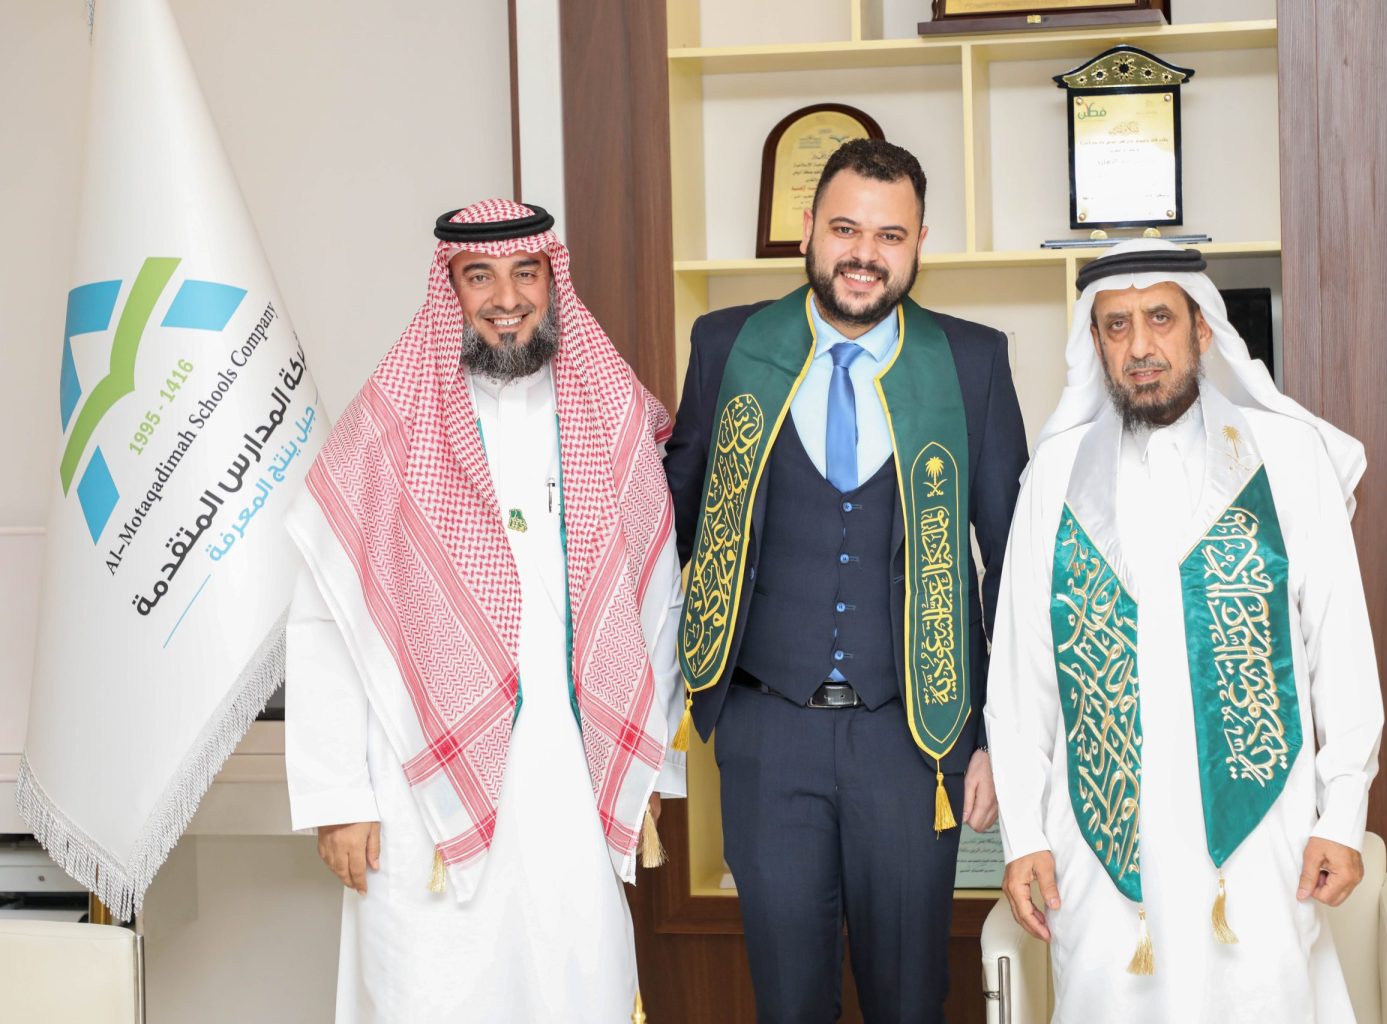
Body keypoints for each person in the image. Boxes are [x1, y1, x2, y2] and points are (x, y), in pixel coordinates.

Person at [283, 199, 685, 1022]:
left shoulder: (608, 413)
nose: (507, 298)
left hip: (571, 768)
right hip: (417, 784)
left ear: (551, 280)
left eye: (525, 273)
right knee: (435, 986)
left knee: (575, 981)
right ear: (450, 288)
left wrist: (651, 766)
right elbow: (326, 620)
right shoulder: (387, 431)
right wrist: (338, 798)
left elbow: (656, 600)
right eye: (480, 277)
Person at [664, 139, 1029, 1023]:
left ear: (919, 244)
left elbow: (1013, 564)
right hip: (765, 732)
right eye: (845, 229)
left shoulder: (972, 362)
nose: (865, 254)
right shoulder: (728, 345)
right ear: (807, 231)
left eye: (890, 235)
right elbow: (668, 519)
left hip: (915, 741)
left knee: (910, 997)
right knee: (788, 1001)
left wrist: (997, 738)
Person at [986, 240, 1386, 1022]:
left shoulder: (1286, 457)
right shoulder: (1057, 475)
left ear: (1203, 329)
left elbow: (1340, 651)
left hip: (1260, 839)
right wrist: (1024, 834)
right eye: (1117, 325)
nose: (1140, 345)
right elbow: (1021, 678)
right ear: (1095, 341)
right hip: (1101, 846)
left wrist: (1342, 813)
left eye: (1160, 319)